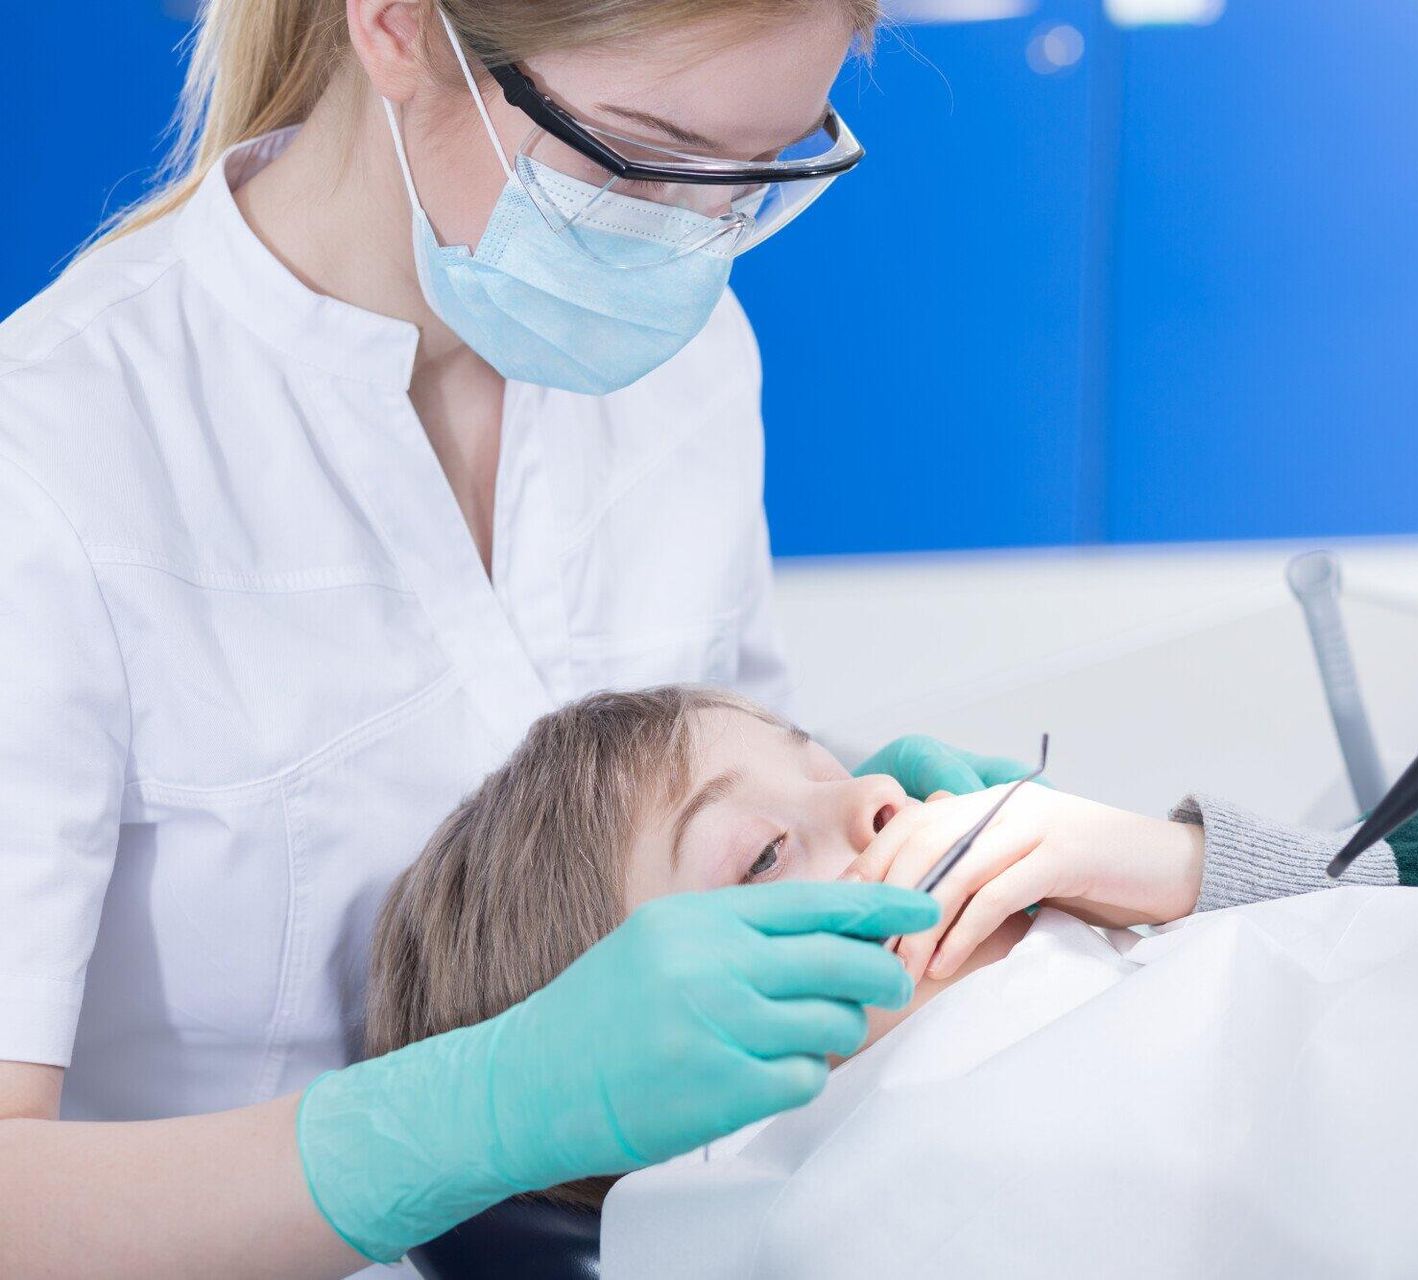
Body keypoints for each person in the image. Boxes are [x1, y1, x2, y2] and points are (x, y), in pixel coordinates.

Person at [0, 1, 1029, 1274]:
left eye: (757, 173)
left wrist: (847, 809)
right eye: (645, 159)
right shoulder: (48, 466)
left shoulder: (689, 359)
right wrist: (469, 1113)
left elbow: (683, 797)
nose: (695, 238)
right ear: (395, 28)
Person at [362, 683, 1418, 1217]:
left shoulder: (1122, 951)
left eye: (829, 761)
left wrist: (1193, 870)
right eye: (759, 853)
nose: (875, 797)